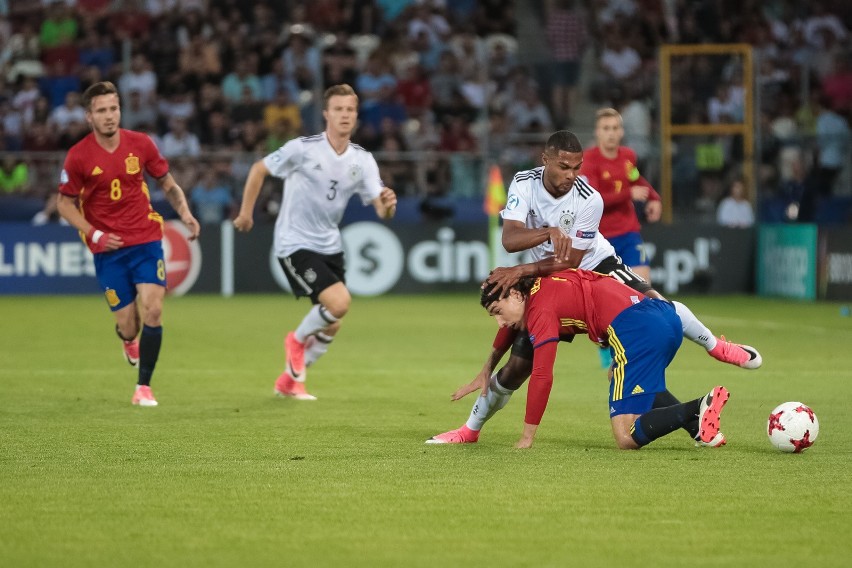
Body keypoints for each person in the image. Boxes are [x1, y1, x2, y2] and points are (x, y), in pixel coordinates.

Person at [426, 130, 758, 444]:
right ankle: (469, 430)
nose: (571, 174)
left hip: (593, 266)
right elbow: (511, 238)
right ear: (545, 159)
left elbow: (571, 261)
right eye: (563, 166)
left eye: (576, 167)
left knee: (658, 306)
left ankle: (715, 346)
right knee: (517, 366)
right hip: (547, 276)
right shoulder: (523, 183)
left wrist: (524, 269)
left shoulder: (589, 199)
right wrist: (546, 233)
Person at [233, 83, 397, 401]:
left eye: (350, 109)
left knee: (332, 324)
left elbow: (380, 208)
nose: (345, 115)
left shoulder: (362, 160)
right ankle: (295, 340)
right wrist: (246, 214)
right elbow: (258, 169)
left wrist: (388, 204)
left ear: (356, 115)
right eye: (338, 109)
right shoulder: (303, 149)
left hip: (330, 245)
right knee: (339, 303)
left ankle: (290, 380)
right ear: (326, 114)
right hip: (294, 242)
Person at [56, 81, 200, 407]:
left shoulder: (141, 144)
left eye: (114, 108)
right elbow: (64, 204)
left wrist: (185, 212)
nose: (110, 116)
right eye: (102, 111)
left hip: (145, 238)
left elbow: (168, 183)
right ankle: (128, 339)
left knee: (154, 308)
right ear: (89, 116)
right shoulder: (78, 156)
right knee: (128, 324)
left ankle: (143, 388)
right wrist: (95, 234)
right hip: (107, 249)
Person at [475, 269, 731, 450]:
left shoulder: (539, 310)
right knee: (618, 375)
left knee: (626, 437)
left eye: (497, 312)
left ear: (517, 295)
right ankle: (698, 425)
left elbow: (542, 375)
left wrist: (527, 437)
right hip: (664, 316)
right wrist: (489, 363)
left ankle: (697, 407)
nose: (500, 322)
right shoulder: (546, 281)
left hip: (636, 330)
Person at [581, 107, 660, 283]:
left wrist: (654, 198)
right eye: (606, 128)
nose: (611, 133)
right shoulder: (588, 160)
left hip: (628, 232)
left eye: (615, 128)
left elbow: (635, 179)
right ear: (597, 132)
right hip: (599, 238)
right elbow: (593, 200)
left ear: (622, 131)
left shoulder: (628, 156)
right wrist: (628, 194)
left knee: (644, 285)